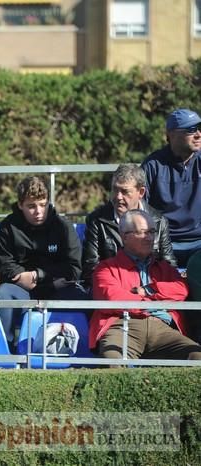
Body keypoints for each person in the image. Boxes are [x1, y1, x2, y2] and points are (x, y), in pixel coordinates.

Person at [91, 209, 201, 361]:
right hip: (122, 326)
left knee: (197, 356)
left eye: (151, 232)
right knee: (112, 359)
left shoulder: (164, 267)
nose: (149, 238)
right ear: (124, 236)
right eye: (142, 232)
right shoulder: (105, 268)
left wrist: (148, 290)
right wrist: (155, 304)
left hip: (163, 329)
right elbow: (113, 298)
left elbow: (181, 290)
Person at [0, 176, 86, 345]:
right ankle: (6, 348)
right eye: (31, 206)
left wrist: (39, 275)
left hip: (57, 286)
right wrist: (21, 277)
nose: (38, 211)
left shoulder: (63, 227)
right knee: (3, 293)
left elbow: (74, 268)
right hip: (22, 288)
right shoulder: (7, 228)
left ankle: (84, 347)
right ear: (20, 205)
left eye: (43, 204)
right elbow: (4, 265)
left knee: (84, 297)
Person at [82, 163, 175, 286]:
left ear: (141, 192)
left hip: (151, 290)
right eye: (115, 189)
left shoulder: (159, 221)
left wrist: (149, 290)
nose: (118, 197)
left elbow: (169, 267)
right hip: (114, 288)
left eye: (125, 191)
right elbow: (90, 269)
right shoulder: (97, 221)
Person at [141, 108, 201, 267]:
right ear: (172, 134)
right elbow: (138, 209)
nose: (198, 134)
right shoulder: (152, 165)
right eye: (191, 130)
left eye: (199, 128)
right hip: (164, 243)